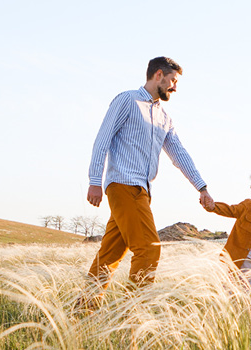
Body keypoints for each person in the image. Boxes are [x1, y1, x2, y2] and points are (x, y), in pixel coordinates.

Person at [85, 56, 214, 299]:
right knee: (149, 250)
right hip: (123, 184)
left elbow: (179, 154)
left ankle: (82, 311)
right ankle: (132, 316)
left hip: (142, 192)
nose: (175, 87)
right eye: (172, 80)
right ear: (158, 75)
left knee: (110, 255)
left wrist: (202, 187)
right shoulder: (127, 100)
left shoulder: (165, 118)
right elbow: (102, 140)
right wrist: (94, 180)